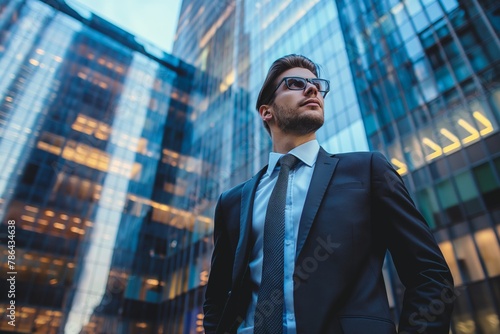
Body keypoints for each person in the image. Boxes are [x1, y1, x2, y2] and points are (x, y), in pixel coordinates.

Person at [203, 54, 454, 334]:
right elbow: (216, 299)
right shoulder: (232, 202)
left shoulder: (368, 170)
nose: (312, 89)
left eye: (317, 85)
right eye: (295, 83)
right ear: (266, 111)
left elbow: (429, 276)